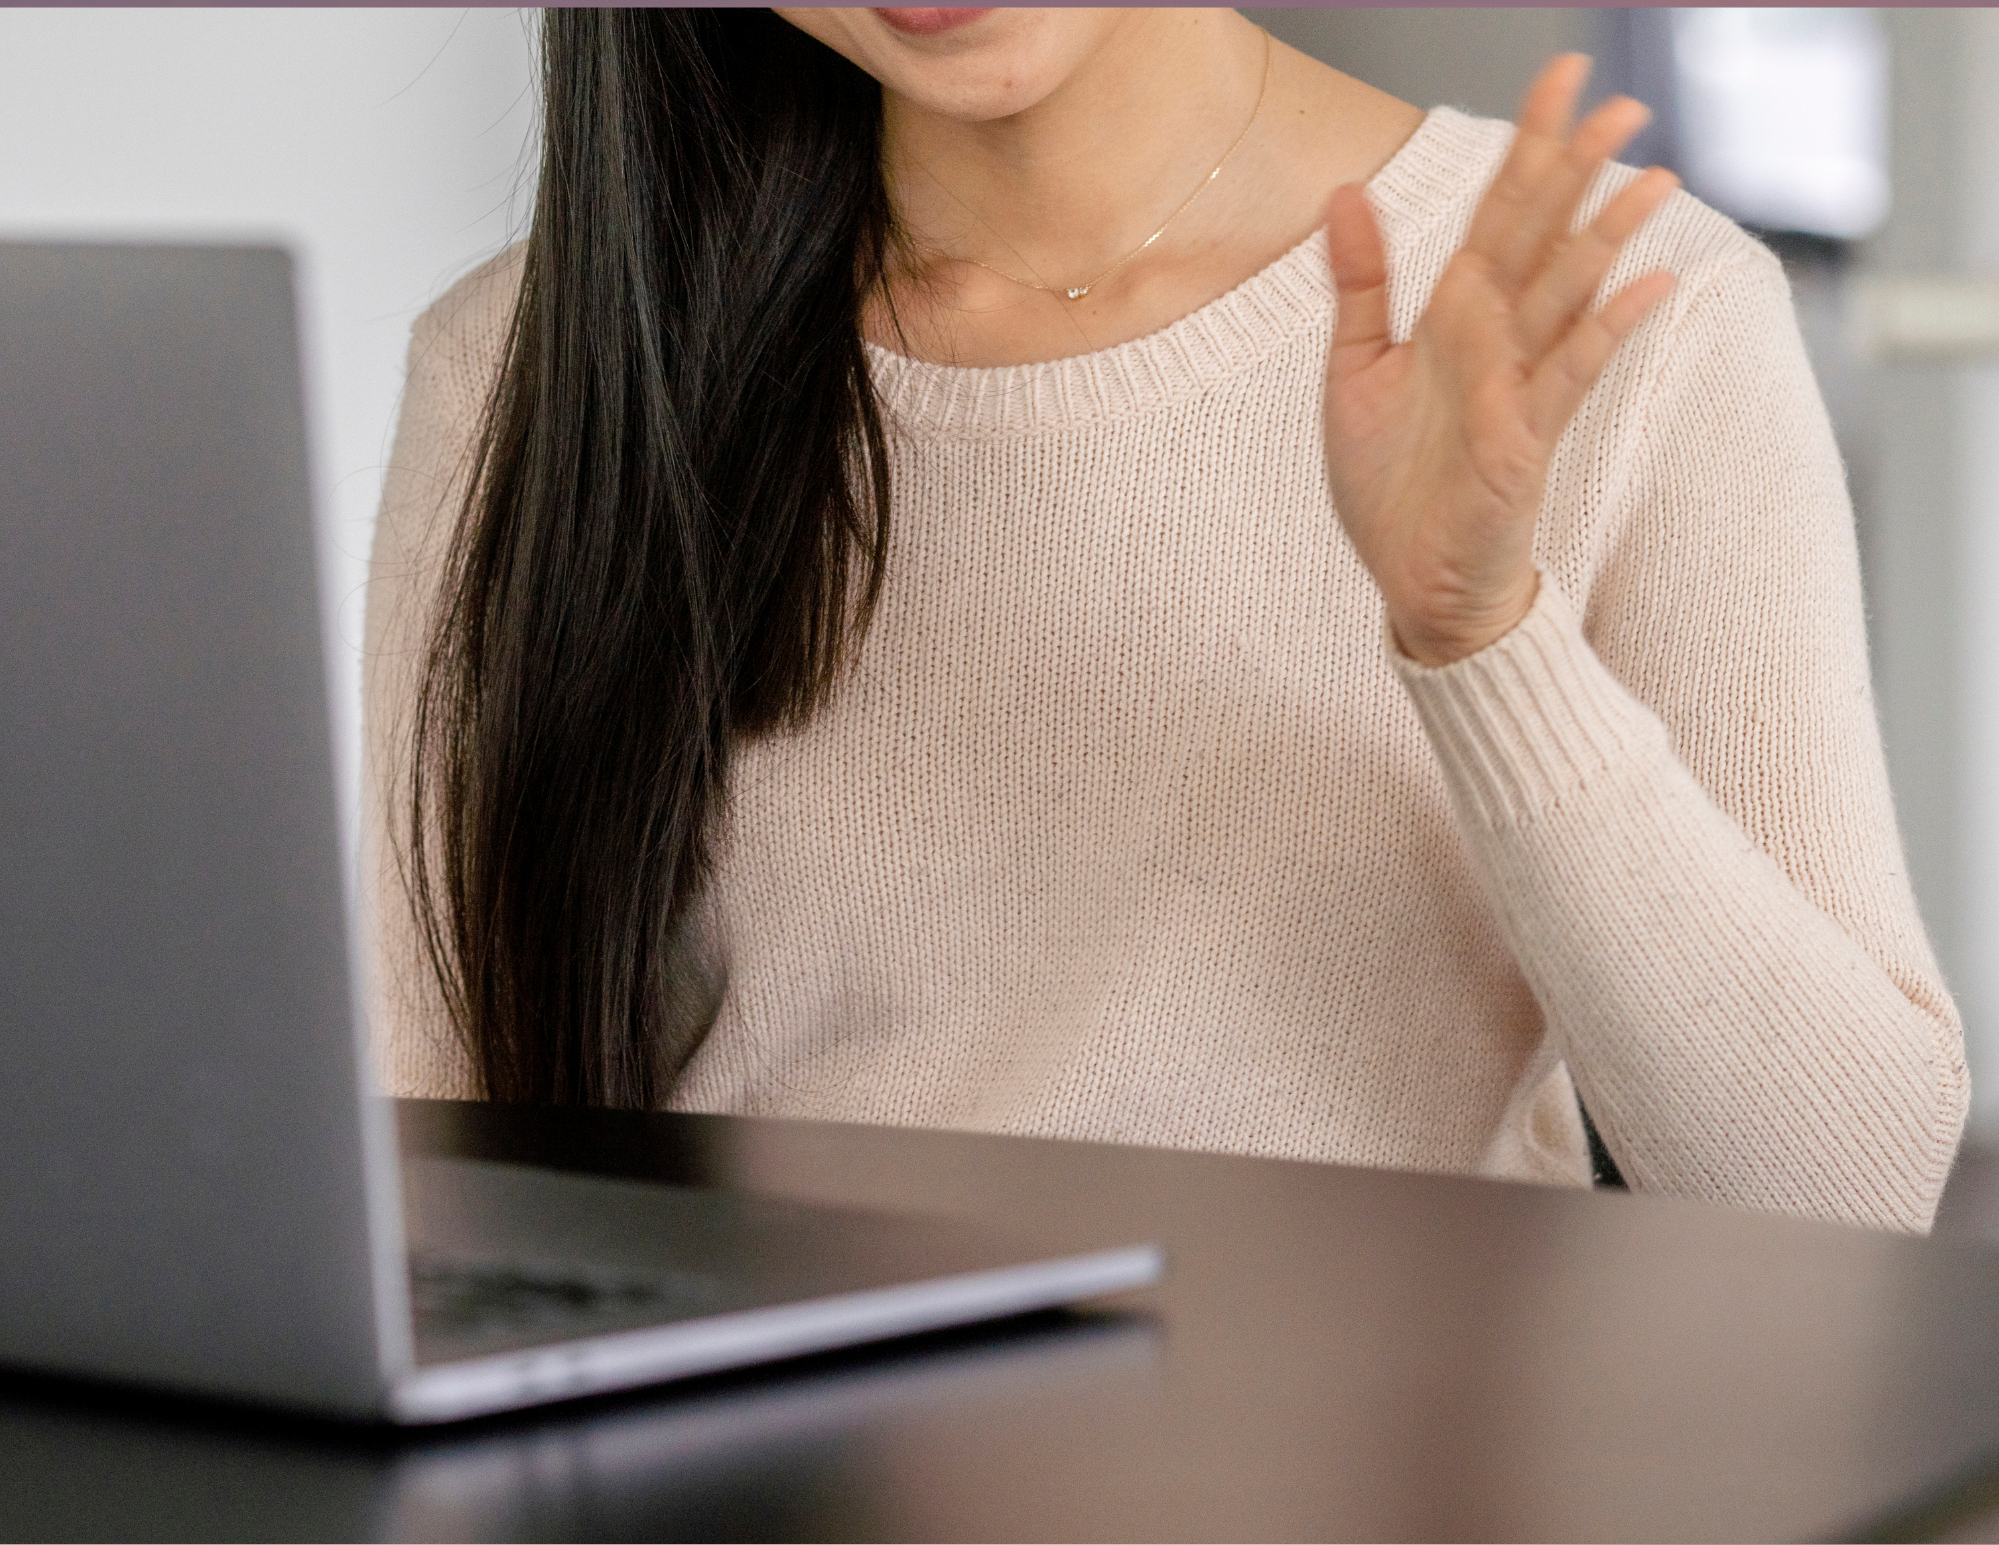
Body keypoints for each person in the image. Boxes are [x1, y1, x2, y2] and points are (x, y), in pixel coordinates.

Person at [363, 7, 1969, 1233]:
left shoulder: (1631, 308)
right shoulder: (534, 363)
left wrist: (1483, 640)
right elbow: (425, 1142)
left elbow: (1838, 1198)